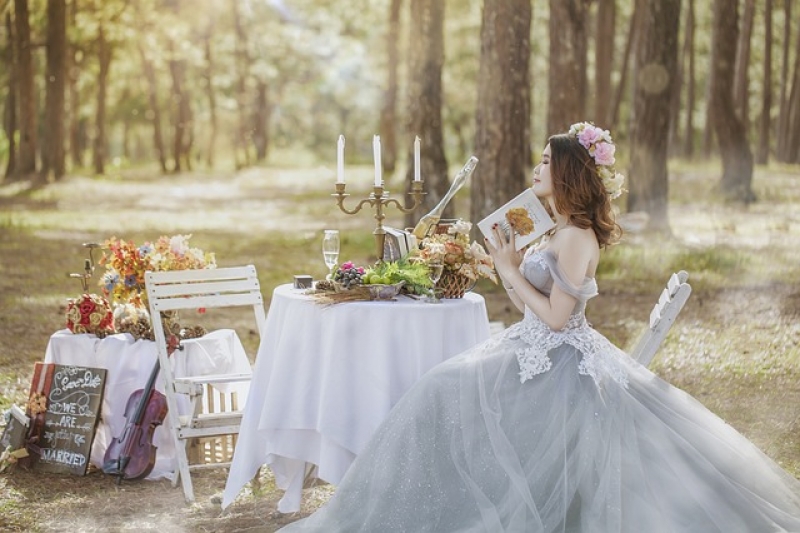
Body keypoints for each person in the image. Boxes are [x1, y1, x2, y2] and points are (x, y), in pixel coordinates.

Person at [278, 123, 800, 532]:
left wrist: (510, 270)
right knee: (436, 388)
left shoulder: (575, 237)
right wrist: (500, 264)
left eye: (547, 160)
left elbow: (557, 319)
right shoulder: (555, 228)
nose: (537, 166)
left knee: (438, 389)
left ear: (568, 171)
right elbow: (532, 306)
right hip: (532, 346)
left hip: (557, 364)